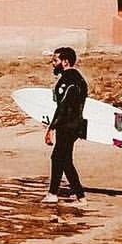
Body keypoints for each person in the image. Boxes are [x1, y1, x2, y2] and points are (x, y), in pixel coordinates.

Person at [43, 46, 88, 205]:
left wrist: (51, 128)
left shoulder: (67, 80)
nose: (53, 63)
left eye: (55, 60)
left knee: (58, 157)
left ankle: (53, 194)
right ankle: (80, 197)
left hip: (67, 125)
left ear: (65, 61)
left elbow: (62, 107)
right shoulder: (79, 79)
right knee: (64, 160)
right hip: (76, 124)